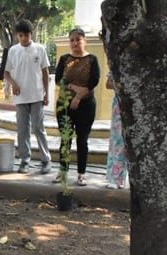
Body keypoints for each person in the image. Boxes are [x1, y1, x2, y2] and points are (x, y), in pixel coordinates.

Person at [53, 27, 100, 187]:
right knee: (65, 139)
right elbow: (58, 79)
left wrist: (79, 96)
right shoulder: (64, 58)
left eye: (78, 39)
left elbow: (94, 80)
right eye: (72, 40)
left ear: (84, 41)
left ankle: (81, 173)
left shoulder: (92, 59)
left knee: (82, 140)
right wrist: (73, 88)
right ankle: (63, 171)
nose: (75, 43)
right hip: (64, 104)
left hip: (86, 105)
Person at [4, 19, 52, 175]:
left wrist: (46, 94)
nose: (24, 38)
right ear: (18, 35)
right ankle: (25, 161)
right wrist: (13, 84)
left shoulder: (40, 49)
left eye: (27, 35)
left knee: (38, 128)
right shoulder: (13, 51)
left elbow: (45, 73)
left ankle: (46, 160)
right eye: (21, 35)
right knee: (22, 130)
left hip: (37, 95)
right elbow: (6, 73)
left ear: (32, 34)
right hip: (20, 97)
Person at [105, 72, 127, 189]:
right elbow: (108, 84)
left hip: (139, 106)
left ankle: (126, 178)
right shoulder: (118, 63)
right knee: (117, 140)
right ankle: (115, 177)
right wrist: (120, 85)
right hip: (120, 105)